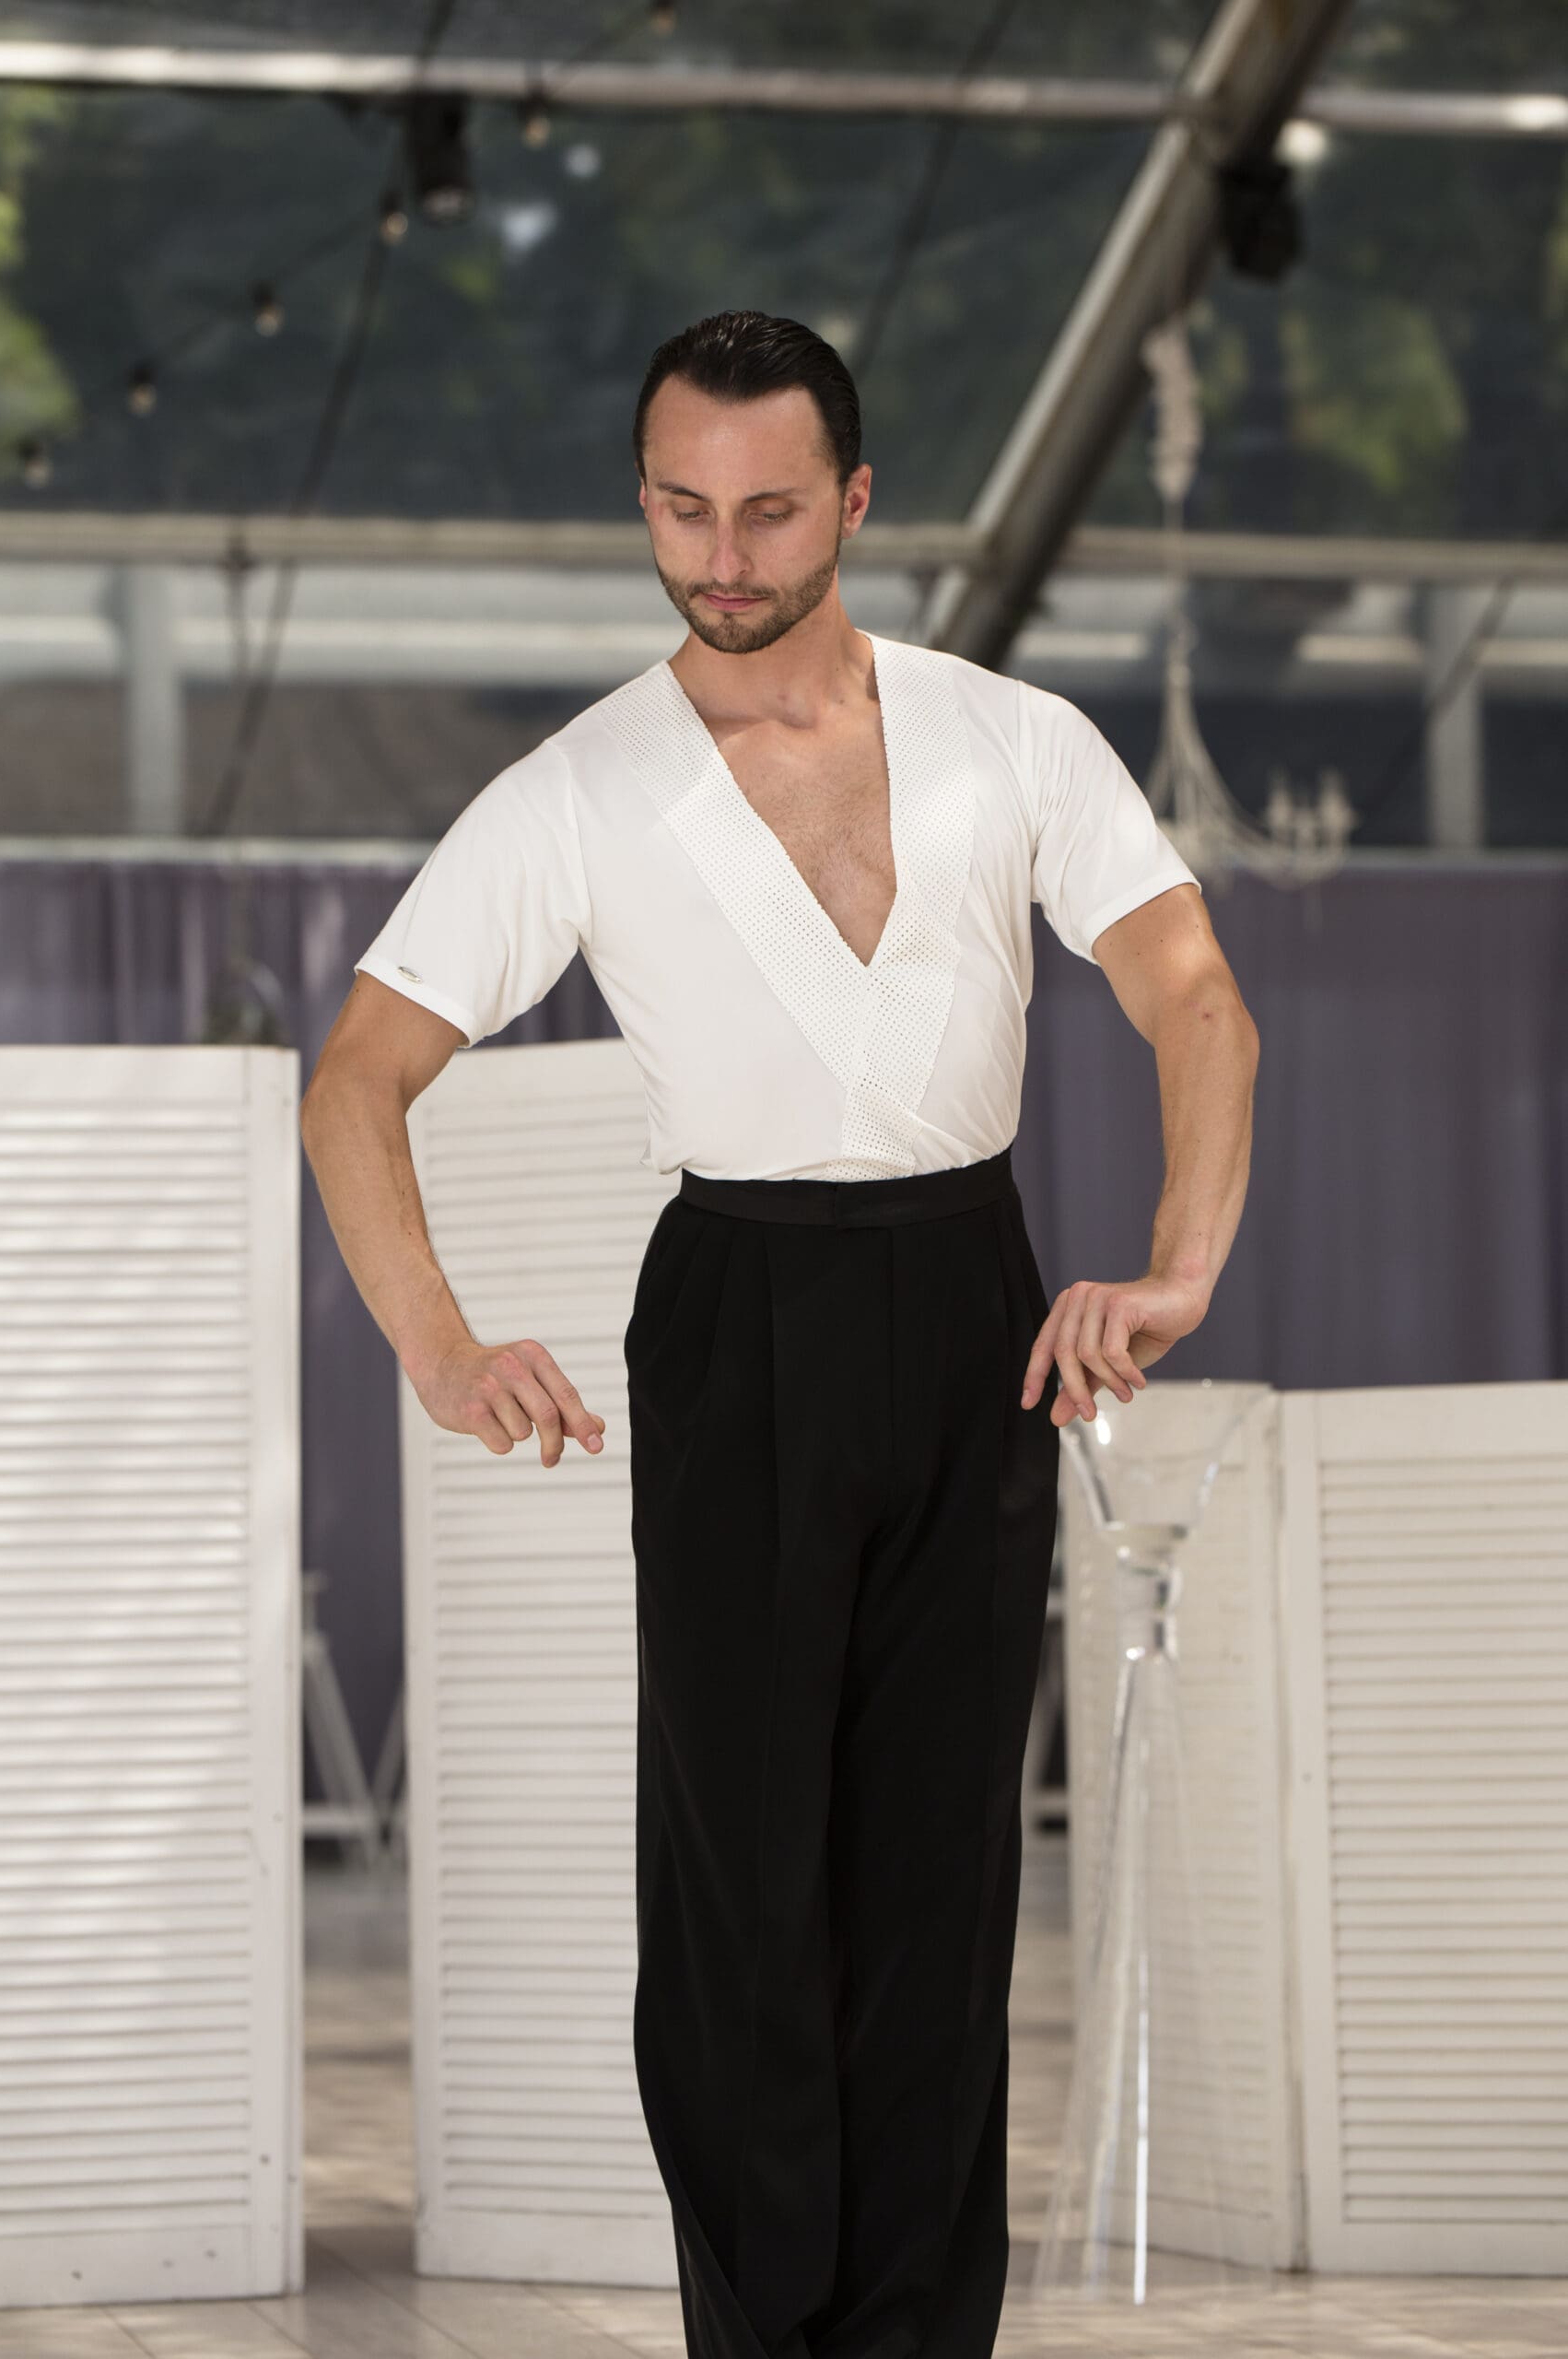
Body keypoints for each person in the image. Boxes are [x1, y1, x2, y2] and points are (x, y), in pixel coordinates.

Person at [301, 308, 1259, 2359]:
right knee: (742, 1898)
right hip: (735, 1314)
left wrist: (1175, 1267)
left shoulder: (1011, 738)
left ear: (854, 499)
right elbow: (356, 1079)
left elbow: (1195, 997)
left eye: (764, 511)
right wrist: (439, 1347)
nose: (720, 557)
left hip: (972, 1307)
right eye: (679, 510)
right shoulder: (579, 791)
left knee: (938, 1891)